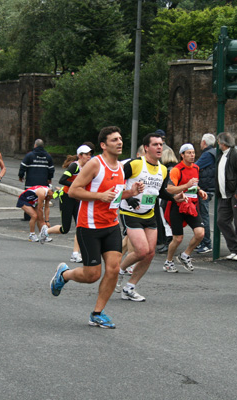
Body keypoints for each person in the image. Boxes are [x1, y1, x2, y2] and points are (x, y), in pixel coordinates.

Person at [49, 126, 142, 329]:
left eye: (120, 138)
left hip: (111, 225)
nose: (120, 142)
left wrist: (130, 192)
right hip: (89, 226)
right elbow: (73, 191)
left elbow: (114, 195)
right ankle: (64, 274)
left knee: (114, 269)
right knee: (92, 275)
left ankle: (97, 313)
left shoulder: (120, 167)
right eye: (114, 140)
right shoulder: (94, 164)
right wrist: (99, 196)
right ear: (103, 145)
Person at [115, 132, 181, 301]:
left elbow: (160, 192)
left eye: (161, 144)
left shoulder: (163, 169)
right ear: (146, 148)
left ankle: (129, 288)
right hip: (129, 213)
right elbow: (116, 182)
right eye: (155, 144)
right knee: (142, 250)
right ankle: (119, 271)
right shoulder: (134, 164)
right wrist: (129, 198)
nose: (160, 147)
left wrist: (175, 198)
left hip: (148, 213)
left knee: (150, 253)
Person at [163, 144, 207, 273]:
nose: (192, 155)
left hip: (191, 206)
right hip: (177, 206)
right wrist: (186, 185)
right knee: (178, 238)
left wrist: (199, 190)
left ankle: (185, 255)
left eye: (193, 153)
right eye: (189, 153)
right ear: (182, 155)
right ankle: (169, 261)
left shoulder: (196, 168)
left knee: (200, 233)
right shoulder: (176, 170)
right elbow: (170, 189)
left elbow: (194, 185)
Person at [47, 144, 93, 262]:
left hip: (77, 199)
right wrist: (76, 187)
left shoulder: (88, 168)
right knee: (65, 229)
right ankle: (46, 231)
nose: (89, 156)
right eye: (86, 154)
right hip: (66, 197)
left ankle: (75, 254)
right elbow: (62, 180)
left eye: (90, 154)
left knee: (80, 226)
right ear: (80, 156)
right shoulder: (74, 166)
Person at [215, 132, 237, 260]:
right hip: (225, 194)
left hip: (234, 194)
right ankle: (235, 248)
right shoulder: (221, 156)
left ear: (223, 143)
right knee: (222, 221)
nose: (218, 144)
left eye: (219, 142)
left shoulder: (236, 155)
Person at [195, 133, 216, 254]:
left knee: (203, 216)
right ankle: (203, 242)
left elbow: (195, 167)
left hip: (205, 188)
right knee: (203, 215)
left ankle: (206, 243)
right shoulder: (214, 152)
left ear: (204, 142)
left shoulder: (207, 154)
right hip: (211, 187)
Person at [156, 146, 179, 254]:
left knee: (165, 220)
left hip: (166, 198)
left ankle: (168, 241)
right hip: (176, 197)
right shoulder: (177, 168)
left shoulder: (165, 170)